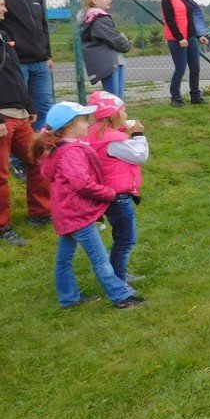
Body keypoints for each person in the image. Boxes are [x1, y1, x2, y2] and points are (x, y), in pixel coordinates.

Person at [33, 101, 144, 309]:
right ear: (69, 127)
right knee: (100, 259)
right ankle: (121, 297)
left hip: (65, 211)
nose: (88, 124)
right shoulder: (72, 152)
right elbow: (82, 183)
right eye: (83, 121)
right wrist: (108, 193)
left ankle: (68, 298)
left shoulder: (60, 147)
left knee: (64, 259)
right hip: (77, 214)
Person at [0, 0, 52, 245]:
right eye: (0, 5)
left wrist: (29, 105)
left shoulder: (4, 34)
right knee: (1, 175)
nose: (5, 8)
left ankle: (41, 213)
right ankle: (3, 227)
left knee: (39, 158)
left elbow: (14, 75)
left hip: (19, 115)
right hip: (2, 118)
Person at [85, 91, 149, 285]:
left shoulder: (95, 131)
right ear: (114, 116)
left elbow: (111, 130)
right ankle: (118, 279)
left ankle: (118, 273)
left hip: (108, 192)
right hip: (119, 196)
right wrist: (138, 135)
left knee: (121, 236)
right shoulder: (112, 141)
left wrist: (125, 126)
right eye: (123, 111)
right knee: (125, 239)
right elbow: (140, 155)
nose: (126, 114)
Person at [0, 0, 54, 132]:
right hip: (15, 64)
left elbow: (42, 26)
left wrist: (47, 54)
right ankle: (18, 150)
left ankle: (39, 148)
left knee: (44, 109)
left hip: (39, 63)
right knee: (17, 114)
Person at [160, 0, 209, 107]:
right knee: (180, 69)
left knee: (195, 68)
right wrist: (180, 38)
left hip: (191, 38)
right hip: (177, 40)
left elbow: (191, 19)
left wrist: (199, 36)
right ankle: (175, 97)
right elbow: (170, 21)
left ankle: (195, 96)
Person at [79, 0, 133, 100]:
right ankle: (113, 112)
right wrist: (126, 44)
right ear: (94, 0)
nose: (109, 0)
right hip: (109, 63)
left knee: (117, 98)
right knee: (114, 99)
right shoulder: (98, 18)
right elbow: (113, 38)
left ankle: (117, 112)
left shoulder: (92, 16)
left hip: (113, 61)